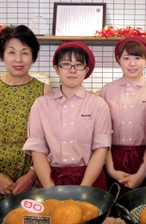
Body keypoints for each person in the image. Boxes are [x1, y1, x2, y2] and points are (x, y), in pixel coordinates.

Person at [0, 25, 53, 222]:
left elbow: (49, 140)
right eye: (11, 52)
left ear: (33, 56)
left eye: (25, 52)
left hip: (30, 181)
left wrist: (31, 175)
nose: (18, 59)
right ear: (3, 55)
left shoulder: (44, 91)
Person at [22, 42, 112, 191]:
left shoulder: (98, 104)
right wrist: (50, 189)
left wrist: (84, 188)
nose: (72, 70)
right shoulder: (41, 104)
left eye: (78, 65)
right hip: (51, 178)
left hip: (91, 181)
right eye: (66, 64)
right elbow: (37, 149)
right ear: (57, 69)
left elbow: (101, 148)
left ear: (86, 70)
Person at [99, 36, 146, 195]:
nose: (132, 63)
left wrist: (141, 173)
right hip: (112, 159)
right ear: (118, 60)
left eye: (137, 58)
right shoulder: (107, 90)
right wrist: (111, 170)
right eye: (126, 58)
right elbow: (102, 134)